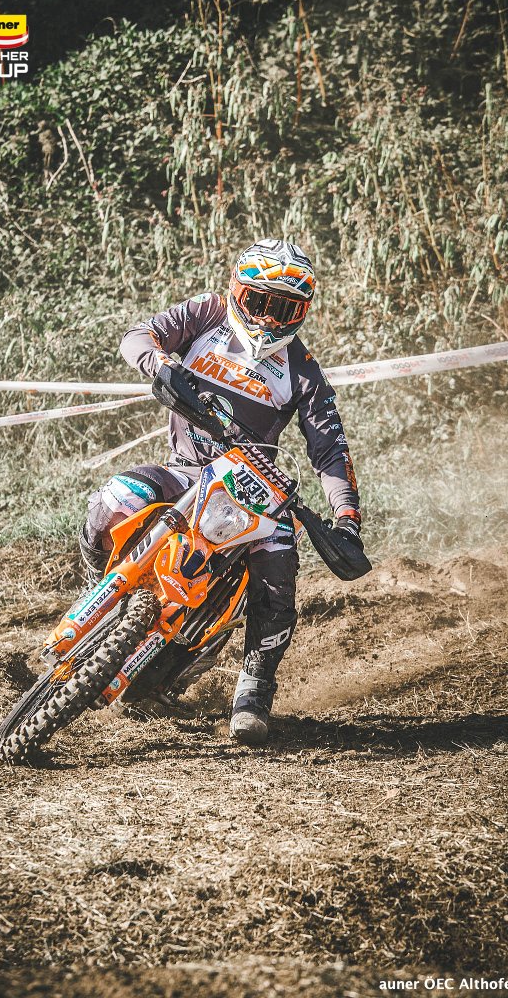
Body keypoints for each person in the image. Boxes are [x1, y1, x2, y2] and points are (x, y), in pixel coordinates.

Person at [79, 239, 362, 744]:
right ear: (237, 291)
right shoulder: (207, 313)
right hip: (186, 471)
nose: (270, 318)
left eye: (285, 309)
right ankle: (96, 591)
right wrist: (160, 364)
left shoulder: (303, 371)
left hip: (253, 489)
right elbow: (138, 335)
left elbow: (330, 449)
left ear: (302, 313)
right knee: (112, 501)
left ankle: (255, 687)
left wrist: (346, 519)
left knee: (279, 561)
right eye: (260, 302)